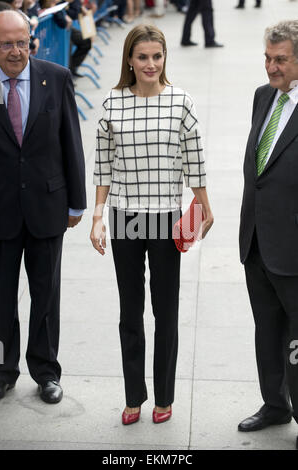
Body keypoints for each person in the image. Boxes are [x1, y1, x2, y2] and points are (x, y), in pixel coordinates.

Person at [90, 24, 213, 425]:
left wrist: (204, 208)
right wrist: (97, 216)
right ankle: (133, 396)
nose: (150, 64)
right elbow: (103, 164)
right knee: (130, 311)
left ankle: (164, 396)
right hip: (125, 216)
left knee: (166, 310)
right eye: (142, 57)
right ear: (129, 59)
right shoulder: (112, 103)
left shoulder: (181, 101)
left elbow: (195, 160)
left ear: (164, 59)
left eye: (157, 57)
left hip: (165, 217)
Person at [0, 10, 86, 403]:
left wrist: (77, 204)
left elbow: (71, 142)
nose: (15, 51)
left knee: (46, 296)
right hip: (0, 210)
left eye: (21, 41)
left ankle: (46, 372)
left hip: (48, 206)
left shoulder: (57, 77)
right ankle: (2, 370)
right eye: (5, 43)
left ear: (31, 39)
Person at [239, 20, 298, 449]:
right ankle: (274, 405)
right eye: (267, 57)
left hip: (293, 246)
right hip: (257, 239)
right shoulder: (263, 97)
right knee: (267, 330)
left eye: (280, 59)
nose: (270, 67)